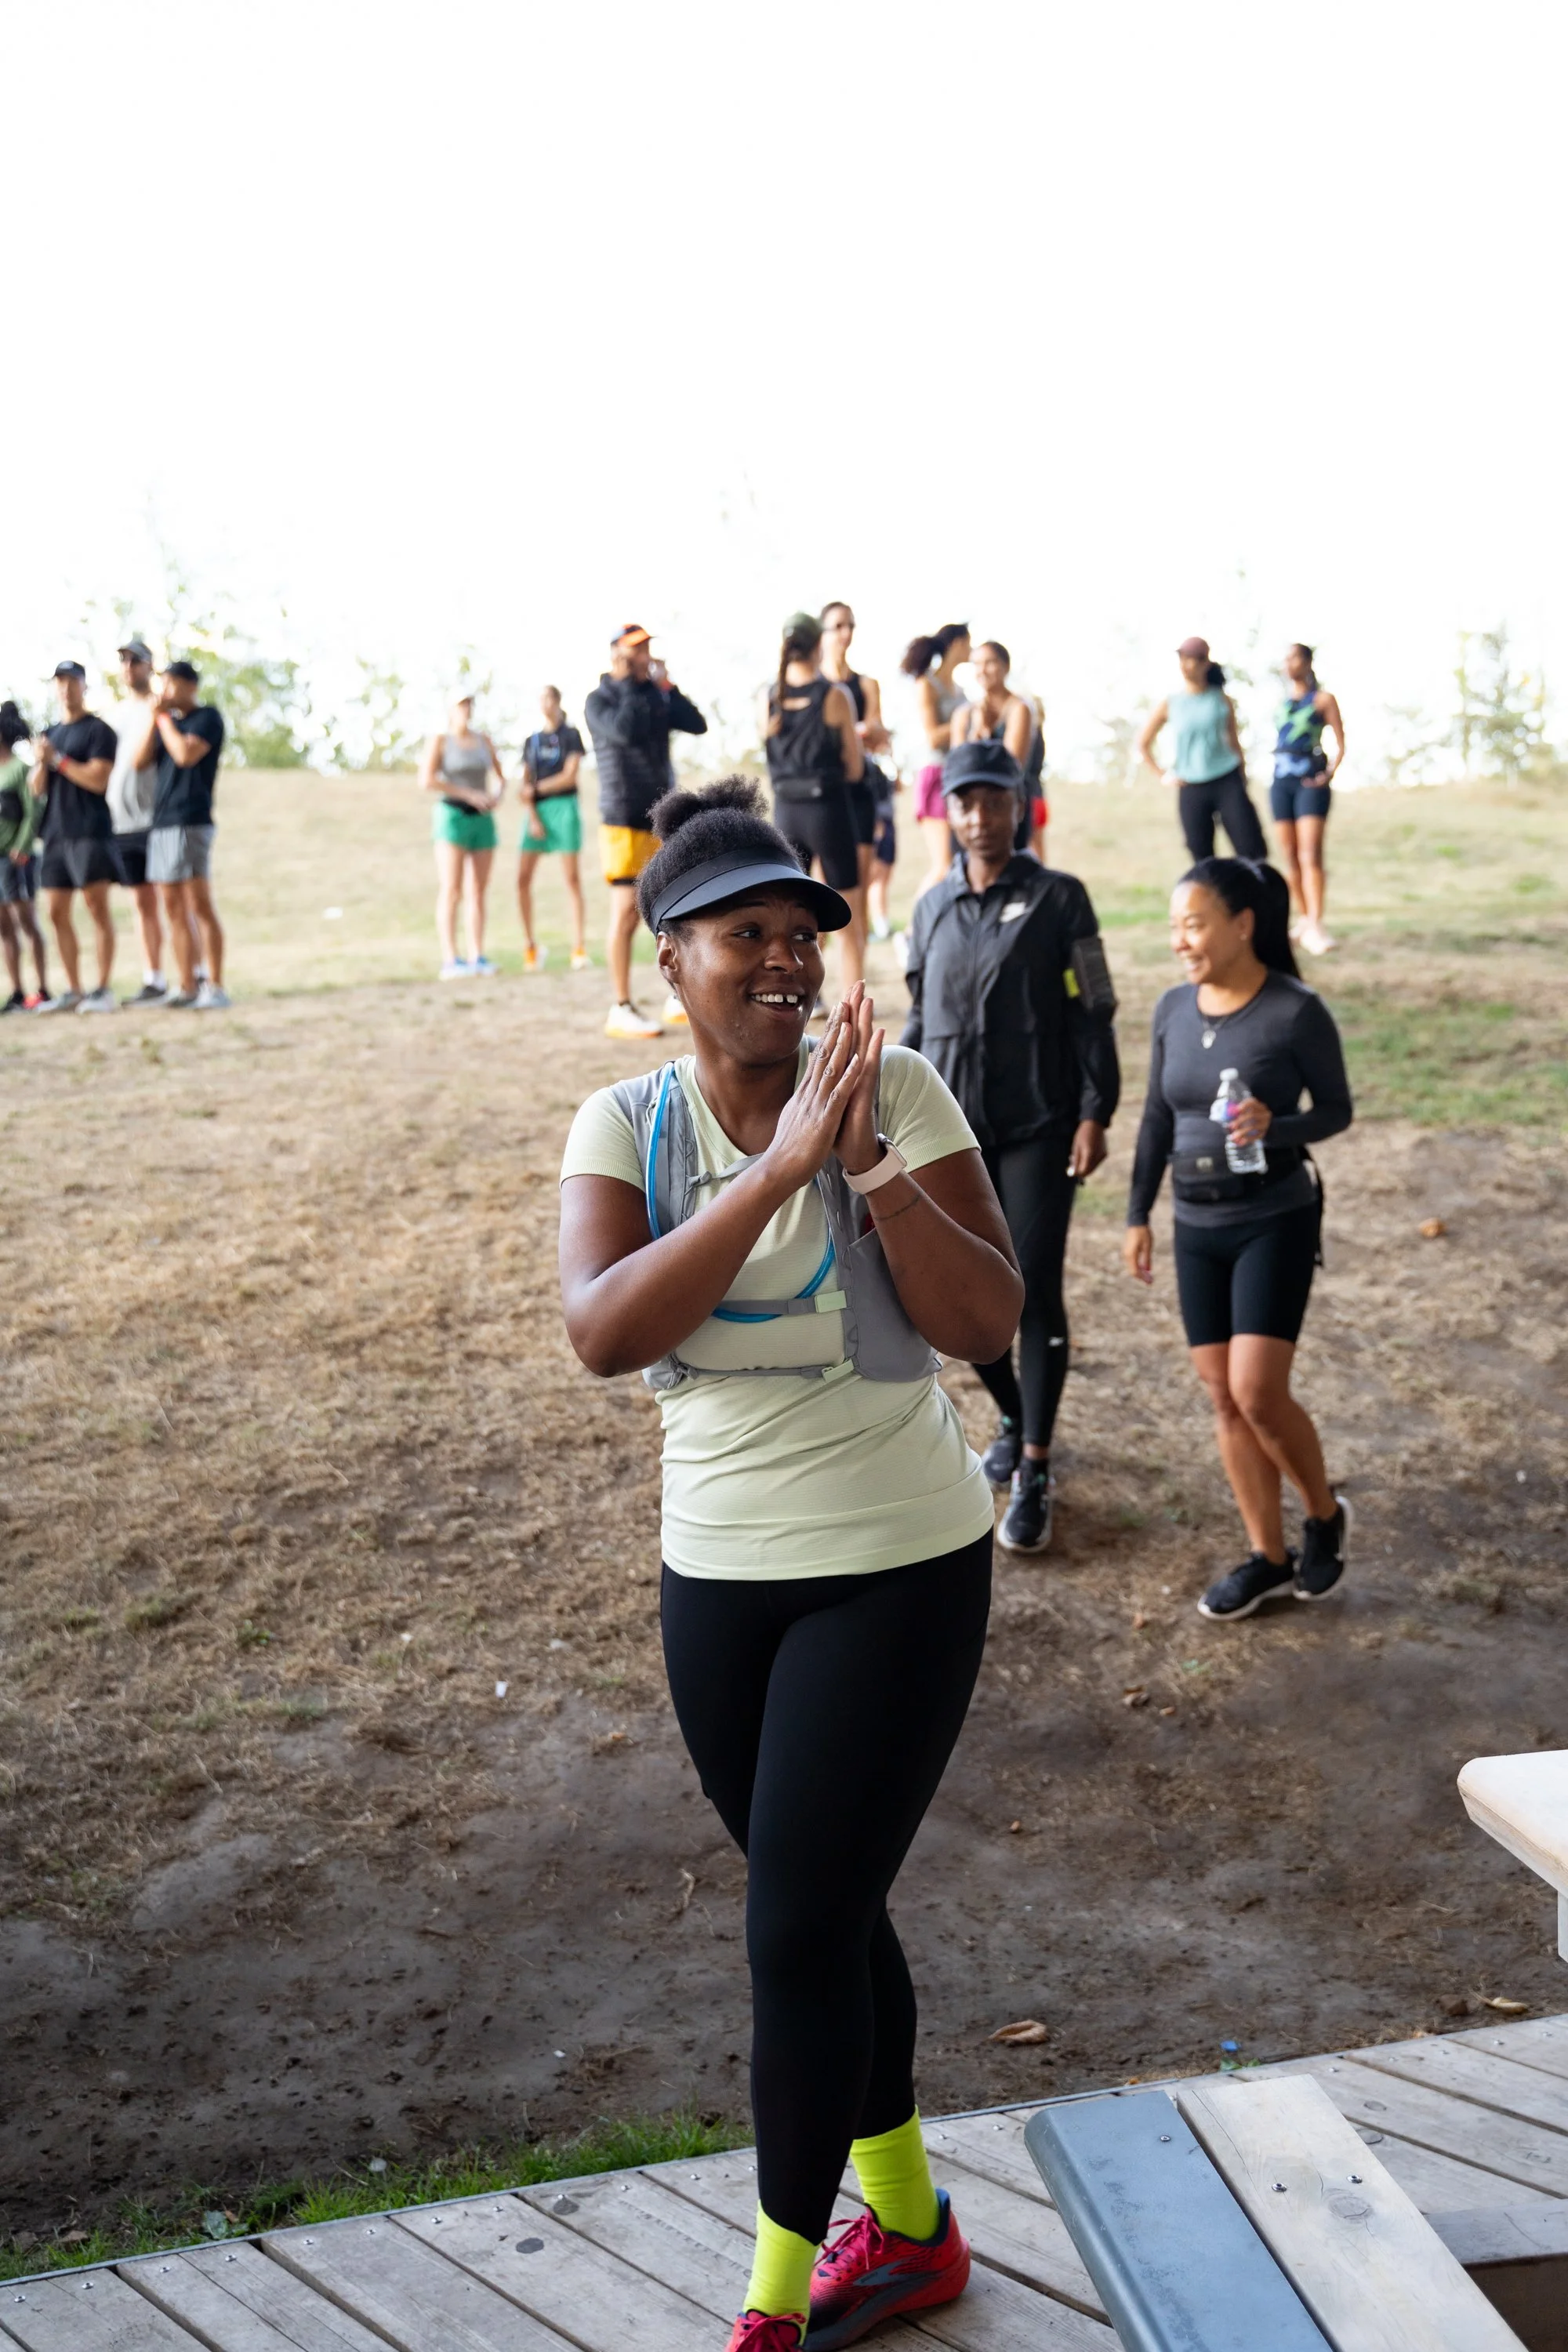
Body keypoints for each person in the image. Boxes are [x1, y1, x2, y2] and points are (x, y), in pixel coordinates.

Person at [558, 776, 1023, 2352]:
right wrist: (771, 1175)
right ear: (666, 953)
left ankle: (771, 2303)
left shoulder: (899, 1096)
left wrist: (867, 1165)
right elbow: (603, 1332)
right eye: (742, 932)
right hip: (717, 1575)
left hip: (897, 1562)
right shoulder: (626, 1125)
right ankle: (910, 2227)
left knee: (794, 1928)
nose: (780, 959)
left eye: (799, 934)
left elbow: (983, 1327)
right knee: (823, 1906)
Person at [904, 739, 1120, 1552]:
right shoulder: (929, 909)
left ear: (1018, 805)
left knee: (1028, 1291)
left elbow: (1094, 1007)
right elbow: (921, 1022)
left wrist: (1097, 1108)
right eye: (964, 802)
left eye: (993, 800)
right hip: (950, 1134)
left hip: (1040, 1125)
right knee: (962, 1305)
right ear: (948, 811)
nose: (978, 817)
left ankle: (1032, 1465)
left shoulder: (1061, 898)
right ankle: (1013, 1413)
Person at [1123, 857, 1352, 1622]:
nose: (1179, 941)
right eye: (1173, 928)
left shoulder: (1292, 1011)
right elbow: (1155, 1118)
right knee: (1222, 1397)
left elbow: (1335, 1111)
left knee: (1256, 1391)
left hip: (1272, 1217)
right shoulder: (1169, 1010)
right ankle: (1269, 1557)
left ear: (1240, 924)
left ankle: (1321, 1514)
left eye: (1192, 924)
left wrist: (1272, 1125)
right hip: (1194, 1224)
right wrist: (1136, 1215)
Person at [585, 622, 708, 1039]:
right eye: (636, 649)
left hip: (663, 816)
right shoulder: (600, 700)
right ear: (618, 653)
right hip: (623, 817)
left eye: (647, 647)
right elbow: (623, 730)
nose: (644, 655)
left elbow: (696, 723)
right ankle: (620, 1006)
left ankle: (677, 997)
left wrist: (667, 687)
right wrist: (632, 684)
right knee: (625, 912)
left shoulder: (654, 693)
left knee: (673, 907)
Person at [762, 612, 866, 993]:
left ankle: (799, 996)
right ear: (819, 644)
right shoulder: (834, 695)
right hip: (828, 812)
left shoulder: (768, 697)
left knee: (792, 920)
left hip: (786, 814)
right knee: (850, 920)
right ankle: (853, 1008)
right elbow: (854, 770)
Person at [135, 661, 229, 1009]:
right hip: (162, 822)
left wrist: (162, 719)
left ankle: (215, 986)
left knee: (198, 903)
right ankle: (187, 984)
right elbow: (139, 761)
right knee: (172, 906)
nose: (165, 691)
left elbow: (186, 755)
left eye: (171, 684)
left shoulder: (208, 718)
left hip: (191, 820)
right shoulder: (166, 723)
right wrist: (156, 720)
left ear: (191, 686)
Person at [31, 660, 119, 1013]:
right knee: (55, 912)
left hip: (90, 831)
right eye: (60, 682)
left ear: (85, 686)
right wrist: (41, 762)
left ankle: (103, 989)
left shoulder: (99, 732)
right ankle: (73, 990)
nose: (65, 688)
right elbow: (37, 789)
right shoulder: (49, 734)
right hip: (55, 833)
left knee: (97, 908)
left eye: (72, 681)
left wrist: (59, 760)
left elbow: (98, 779)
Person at [1136, 637, 1268, 862]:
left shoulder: (1220, 699)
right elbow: (1143, 744)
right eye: (1182, 659)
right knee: (1201, 856)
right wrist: (1163, 776)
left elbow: (1234, 742)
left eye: (1192, 660)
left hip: (1227, 779)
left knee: (1251, 849)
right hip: (1191, 785)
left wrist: (1242, 778)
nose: (1186, 665)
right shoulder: (1171, 703)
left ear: (1206, 663)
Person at [819, 600, 894, 954]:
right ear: (823, 633)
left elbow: (879, 735)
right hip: (821, 798)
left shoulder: (867, 685)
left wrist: (851, 732)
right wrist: (857, 732)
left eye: (850, 625)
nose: (845, 633)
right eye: (838, 626)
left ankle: (857, 978)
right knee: (815, 891)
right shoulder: (814, 686)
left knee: (859, 890)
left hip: (860, 793)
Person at [419, 691, 506, 980]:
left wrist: (496, 796)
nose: (466, 709)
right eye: (461, 704)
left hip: (482, 819)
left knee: (478, 890)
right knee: (452, 888)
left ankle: (477, 955)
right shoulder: (441, 741)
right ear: (450, 709)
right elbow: (427, 780)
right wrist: (467, 793)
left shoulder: (483, 740)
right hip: (452, 817)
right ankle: (450, 959)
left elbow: (501, 777)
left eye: (469, 704)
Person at [107, 637, 173, 1003]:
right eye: (124, 661)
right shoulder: (113, 715)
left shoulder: (162, 707)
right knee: (141, 903)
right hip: (122, 824)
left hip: (156, 819)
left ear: (150, 665)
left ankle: (195, 975)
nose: (129, 667)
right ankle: (154, 980)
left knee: (175, 900)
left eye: (136, 660)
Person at [1271, 644, 1345, 956]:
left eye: (1293, 657)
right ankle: (1303, 920)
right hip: (1280, 780)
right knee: (1289, 855)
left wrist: (1327, 774)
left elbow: (1341, 744)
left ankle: (1317, 922)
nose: (1288, 663)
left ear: (1307, 662)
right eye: (1285, 658)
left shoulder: (1324, 700)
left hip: (1310, 781)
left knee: (1309, 854)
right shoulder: (1282, 702)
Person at [517, 685, 589, 972]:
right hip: (537, 811)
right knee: (522, 879)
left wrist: (535, 788)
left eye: (549, 698)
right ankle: (531, 946)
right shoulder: (531, 741)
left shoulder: (571, 736)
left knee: (571, 879)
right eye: (541, 699)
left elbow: (569, 777)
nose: (546, 704)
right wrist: (532, 814)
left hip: (564, 807)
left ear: (558, 702)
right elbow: (523, 787)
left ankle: (579, 947)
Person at [900, 623, 971, 902]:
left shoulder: (961, 691)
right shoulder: (927, 684)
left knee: (956, 864)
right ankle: (912, 933)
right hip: (934, 777)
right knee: (942, 865)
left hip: (957, 776)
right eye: (968, 643)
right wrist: (963, 721)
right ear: (955, 644)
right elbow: (932, 737)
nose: (971, 650)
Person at [0, 702, 49, 1010]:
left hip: (16, 858)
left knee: (27, 923)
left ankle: (43, 989)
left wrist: (23, 844)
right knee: (4, 928)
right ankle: (17, 992)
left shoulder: (19, 768)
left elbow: (34, 809)